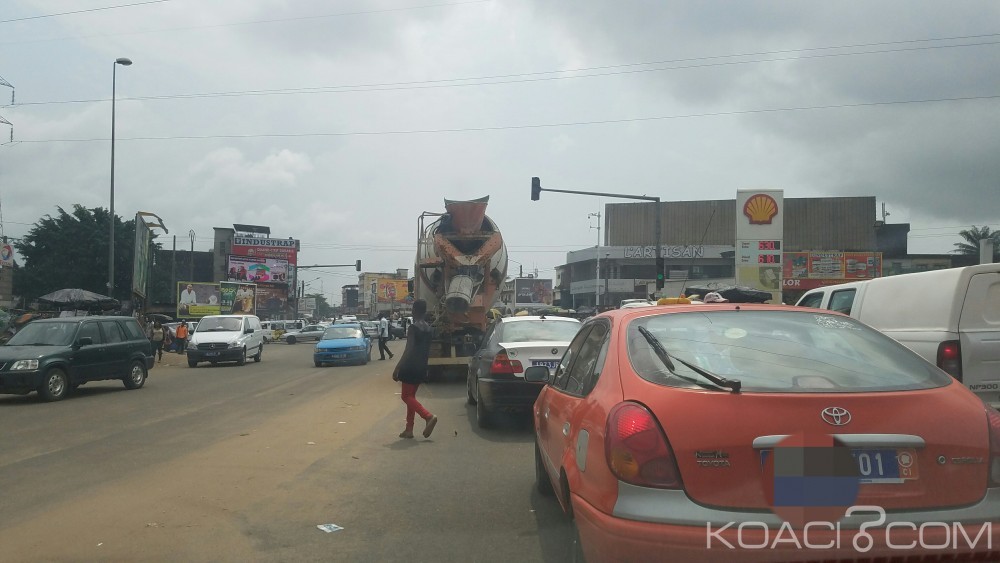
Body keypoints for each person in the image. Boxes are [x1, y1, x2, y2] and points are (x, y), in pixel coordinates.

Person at [392, 299, 437, 439]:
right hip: (421, 366)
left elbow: (409, 349)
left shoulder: (413, 328)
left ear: (414, 311)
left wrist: (397, 367)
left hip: (410, 366)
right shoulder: (429, 329)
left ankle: (428, 416)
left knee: (406, 396)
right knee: (411, 397)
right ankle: (409, 429)